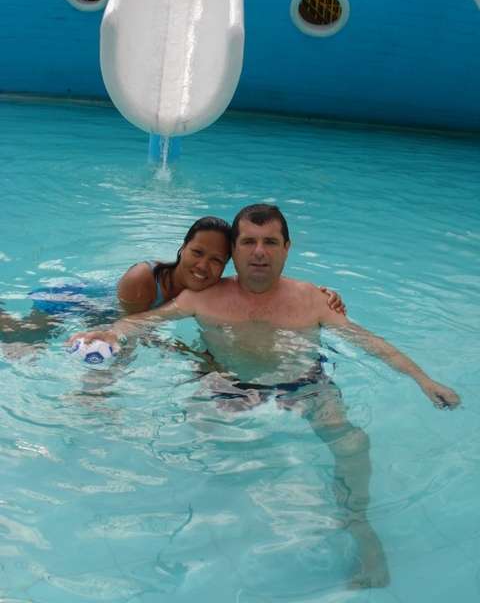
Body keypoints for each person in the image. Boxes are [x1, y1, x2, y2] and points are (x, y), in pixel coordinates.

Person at [68, 203, 460, 588]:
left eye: (270, 242)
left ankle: (359, 527)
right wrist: (111, 332)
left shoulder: (313, 299)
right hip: (229, 385)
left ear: (287, 248)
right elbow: (144, 321)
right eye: (249, 242)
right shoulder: (203, 297)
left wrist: (423, 379)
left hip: (304, 383)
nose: (259, 252)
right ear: (234, 251)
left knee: (353, 443)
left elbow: (369, 342)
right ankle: (205, 523)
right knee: (192, 441)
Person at [0, 215, 345, 349]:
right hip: (75, 304)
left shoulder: (213, 288)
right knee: (21, 339)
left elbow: (261, 290)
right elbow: (127, 329)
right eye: (197, 252)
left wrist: (324, 294)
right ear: (182, 249)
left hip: (108, 312)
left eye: (216, 260)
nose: (203, 266)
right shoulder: (142, 280)